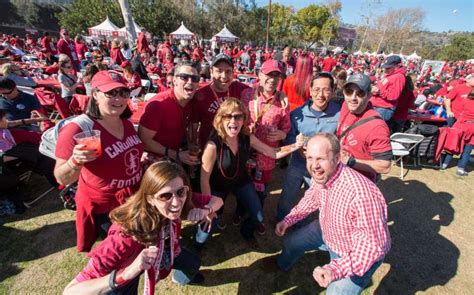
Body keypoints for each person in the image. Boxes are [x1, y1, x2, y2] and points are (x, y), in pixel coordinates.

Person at [63, 161, 209, 294]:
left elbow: (217, 201)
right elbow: (71, 291)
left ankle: (181, 278)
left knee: (193, 263)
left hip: (164, 253)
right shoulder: (124, 237)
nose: (177, 203)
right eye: (165, 196)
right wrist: (126, 273)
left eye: (181, 192)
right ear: (150, 199)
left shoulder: (172, 211)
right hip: (124, 272)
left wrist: (206, 211)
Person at [272, 133, 391, 294]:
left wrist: (334, 269)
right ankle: (282, 264)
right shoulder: (323, 175)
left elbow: (371, 248)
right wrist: (288, 220)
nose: (314, 165)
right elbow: (312, 198)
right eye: (310, 158)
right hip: (326, 230)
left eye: (321, 159)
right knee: (291, 243)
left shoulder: (361, 194)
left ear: (336, 158)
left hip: (351, 253)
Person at [54, 70, 144, 252]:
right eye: (111, 93)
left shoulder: (125, 122)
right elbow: (61, 178)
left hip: (133, 197)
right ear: (95, 94)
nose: (118, 98)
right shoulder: (78, 129)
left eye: (123, 92)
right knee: (122, 252)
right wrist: (74, 162)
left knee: (140, 242)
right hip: (106, 207)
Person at [199, 98, 304, 247]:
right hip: (218, 186)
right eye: (228, 116)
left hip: (241, 182)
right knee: (206, 227)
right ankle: (198, 246)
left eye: (238, 116)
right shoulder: (213, 145)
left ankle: (246, 232)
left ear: (243, 119)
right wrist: (207, 205)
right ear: (220, 119)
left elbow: (273, 153)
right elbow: (204, 178)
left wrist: (295, 146)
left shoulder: (247, 138)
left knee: (259, 217)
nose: (233, 120)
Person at [276, 72, 341, 222]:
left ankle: (306, 225)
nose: (321, 94)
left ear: (332, 91)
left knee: (315, 199)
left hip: (322, 169)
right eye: (317, 89)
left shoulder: (339, 114)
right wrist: (297, 147)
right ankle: (281, 219)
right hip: (298, 164)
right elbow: (289, 136)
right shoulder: (298, 114)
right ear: (310, 91)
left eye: (326, 90)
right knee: (288, 195)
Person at [240, 59, 290, 228]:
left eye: (277, 75)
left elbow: (286, 127)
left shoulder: (282, 102)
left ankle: (253, 220)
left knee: (261, 192)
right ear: (260, 75)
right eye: (269, 75)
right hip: (246, 152)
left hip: (266, 156)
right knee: (242, 186)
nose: (273, 79)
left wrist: (280, 134)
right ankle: (240, 211)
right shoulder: (246, 94)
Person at [138, 61, 200, 168]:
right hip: (154, 161)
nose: (190, 82)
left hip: (175, 155)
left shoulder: (190, 102)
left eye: (195, 79)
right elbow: (143, 140)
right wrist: (176, 155)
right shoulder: (159, 105)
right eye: (184, 77)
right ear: (174, 80)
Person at [337, 73, 392, 183]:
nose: (353, 98)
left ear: (369, 96)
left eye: (360, 93)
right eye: (349, 92)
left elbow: (385, 166)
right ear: (344, 93)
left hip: (360, 181)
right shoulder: (345, 105)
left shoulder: (377, 127)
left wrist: (350, 161)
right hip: (340, 174)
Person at [191, 54, 249, 147]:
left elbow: (260, 90)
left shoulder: (241, 89)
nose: (224, 76)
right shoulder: (200, 95)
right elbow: (193, 124)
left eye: (228, 71)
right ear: (211, 72)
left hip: (234, 147)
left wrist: (280, 94)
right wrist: (193, 145)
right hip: (208, 147)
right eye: (219, 71)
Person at [441, 88, 474, 176]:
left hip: (461, 124)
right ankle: (461, 169)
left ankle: (444, 164)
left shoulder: (465, 101)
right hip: (471, 126)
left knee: (453, 145)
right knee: (467, 149)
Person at [370, 55, 407, 121]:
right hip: (378, 106)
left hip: (383, 109)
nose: (385, 70)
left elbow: (393, 96)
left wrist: (379, 91)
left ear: (397, 66)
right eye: (385, 68)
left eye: (388, 68)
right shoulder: (390, 75)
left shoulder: (399, 77)